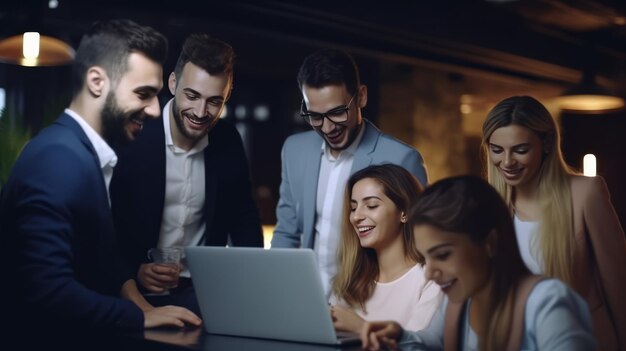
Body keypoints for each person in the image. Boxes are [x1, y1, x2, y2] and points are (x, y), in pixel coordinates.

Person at [0, 19, 201, 349]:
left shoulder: (83, 153)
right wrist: (138, 317)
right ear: (96, 81)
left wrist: (146, 307)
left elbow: (103, 259)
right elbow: (47, 289)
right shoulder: (58, 158)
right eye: (143, 94)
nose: (154, 109)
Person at [110, 33, 263, 315]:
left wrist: (252, 282)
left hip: (204, 295)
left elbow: (244, 217)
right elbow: (106, 228)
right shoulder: (133, 137)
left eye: (214, 101)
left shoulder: (228, 139)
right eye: (192, 95)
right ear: (172, 83)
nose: (200, 112)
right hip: (136, 293)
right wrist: (135, 270)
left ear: (227, 95)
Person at [361, 175, 595, 351]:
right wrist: (398, 336)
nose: (429, 273)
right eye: (425, 257)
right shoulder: (459, 300)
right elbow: (433, 342)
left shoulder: (546, 302)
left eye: (442, 255)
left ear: (489, 243)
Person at [271, 48, 429, 297]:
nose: (327, 127)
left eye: (336, 112)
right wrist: (277, 292)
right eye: (315, 116)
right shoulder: (294, 150)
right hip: (304, 299)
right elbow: (287, 233)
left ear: (361, 97)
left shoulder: (402, 159)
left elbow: (419, 244)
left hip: (370, 302)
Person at [482, 95, 626, 350]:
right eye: (497, 149)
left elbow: (619, 285)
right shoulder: (489, 205)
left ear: (547, 143)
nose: (507, 162)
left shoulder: (586, 193)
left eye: (520, 150)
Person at [330, 164, 441, 334]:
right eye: (353, 208)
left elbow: (418, 347)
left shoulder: (431, 279)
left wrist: (361, 328)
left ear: (404, 212)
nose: (356, 217)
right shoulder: (350, 280)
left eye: (372, 205)